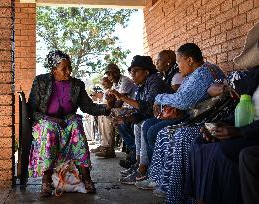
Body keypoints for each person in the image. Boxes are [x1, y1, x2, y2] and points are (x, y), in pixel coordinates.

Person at [138, 43, 225, 199]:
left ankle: (164, 181)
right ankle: (159, 177)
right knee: (152, 128)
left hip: (206, 119)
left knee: (158, 132)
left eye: (179, 62)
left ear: (190, 60)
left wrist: (158, 98)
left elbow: (183, 101)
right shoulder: (201, 71)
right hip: (199, 116)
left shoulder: (202, 74)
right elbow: (182, 97)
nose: (178, 66)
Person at [185, 22, 259, 204]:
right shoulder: (254, 79)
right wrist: (223, 125)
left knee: (221, 150)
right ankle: (197, 198)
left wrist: (239, 132)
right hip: (248, 129)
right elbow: (244, 110)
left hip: (253, 134)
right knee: (199, 142)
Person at [27, 50, 114, 197]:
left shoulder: (76, 85)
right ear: (53, 69)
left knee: (76, 126)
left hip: (67, 120)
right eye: (64, 69)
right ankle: (46, 180)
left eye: (69, 67)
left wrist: (107, 107)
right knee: (49, 129)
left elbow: (88, 107)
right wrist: (51, 119)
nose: (68, 72)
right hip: (46, 120)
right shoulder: (41, 81)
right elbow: (32, 110)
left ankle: (86, 177)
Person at [108, 55, 172, 184]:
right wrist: (125, 119)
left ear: (146, 72)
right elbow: (141, 111)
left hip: (170, 116)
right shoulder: (142, 86)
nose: (132, 75)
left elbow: (149, 108)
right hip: (157, 117)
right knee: (137, 124)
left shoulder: (155, 81)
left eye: (135, 71)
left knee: (144, 125)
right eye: (131, 72)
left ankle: (143, 169)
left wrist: (122, 97)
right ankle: (138, 164)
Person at [103, 63, 137, 168]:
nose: (111, 76)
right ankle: (108, 147)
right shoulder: (114, 84)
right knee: (106, 115)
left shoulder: (125, 81)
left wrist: (110, 104)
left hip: (134, 108)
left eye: (113, 73)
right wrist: (109, 104)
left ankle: (133, 150)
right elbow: (113, 102)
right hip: (126, 109)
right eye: (109, 74)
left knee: (117, 119)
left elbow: (119, 102)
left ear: (118, 71)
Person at [94, 77, 117, 158]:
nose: (103, 84)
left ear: (109, 81)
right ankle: (103, 145)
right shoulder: (106, 92)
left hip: (117, 111)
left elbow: (114, 104)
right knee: (101, 115)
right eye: (102, 83)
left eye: (104, 82)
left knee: (106, 117)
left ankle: (108, 148)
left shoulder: (113, 89)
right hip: (111, 111)